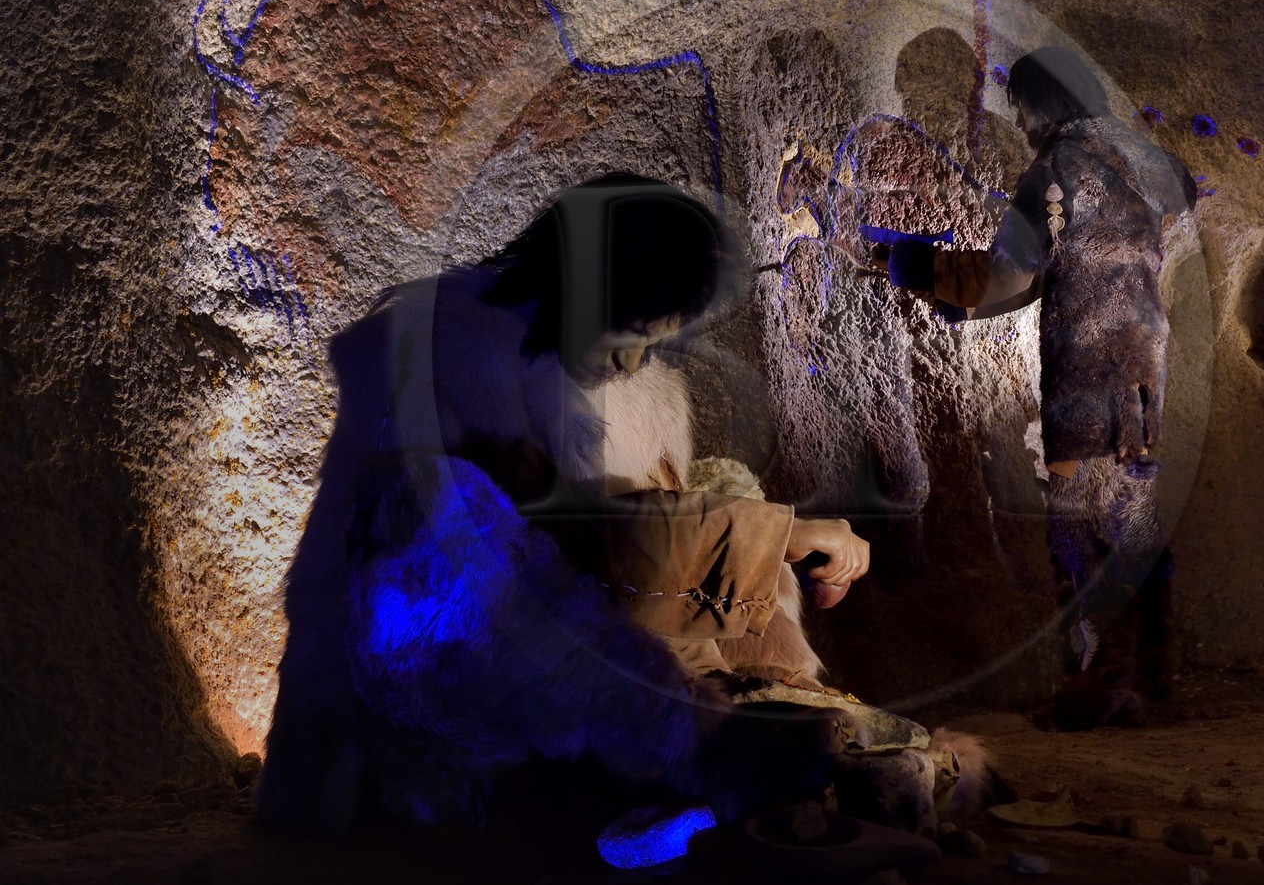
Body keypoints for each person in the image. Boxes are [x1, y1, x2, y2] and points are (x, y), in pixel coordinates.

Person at [255, 172, 870, 832]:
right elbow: (536, 548)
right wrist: (773, 536)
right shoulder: (452, 351)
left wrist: (757, 542)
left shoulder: (566, 365)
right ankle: (700, 754)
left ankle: (743, 731)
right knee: (470, 522)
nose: (635, 364)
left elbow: (591, 537)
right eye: (635, 333)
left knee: (719, 502)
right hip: (403, 727)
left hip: (516, 656)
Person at [883, 46, 1195, 726]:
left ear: (1046, 103)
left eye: (1020, 106)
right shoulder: (1145, 160)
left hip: (1087, 362)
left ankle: (1099, 691)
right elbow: (1181, 192)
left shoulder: (1056, 168)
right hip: (1145, 359)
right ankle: (1155, 676)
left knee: (1081, 524)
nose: (1019, 122)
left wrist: (909, 262)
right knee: (1132, 513)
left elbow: (1006, 280)